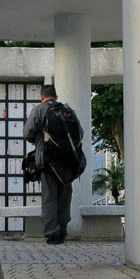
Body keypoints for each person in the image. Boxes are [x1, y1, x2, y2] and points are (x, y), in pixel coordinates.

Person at [23, 82, 85, 244]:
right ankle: (63, 230)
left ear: (42, 97)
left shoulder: (39, 110)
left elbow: (27, 133)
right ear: (56, 97)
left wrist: (39, 139)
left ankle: (52, 233)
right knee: (64, 197)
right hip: (69, 162)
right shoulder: (68, 111)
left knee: (49, 197)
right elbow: (80, 133)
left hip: (48, 161)